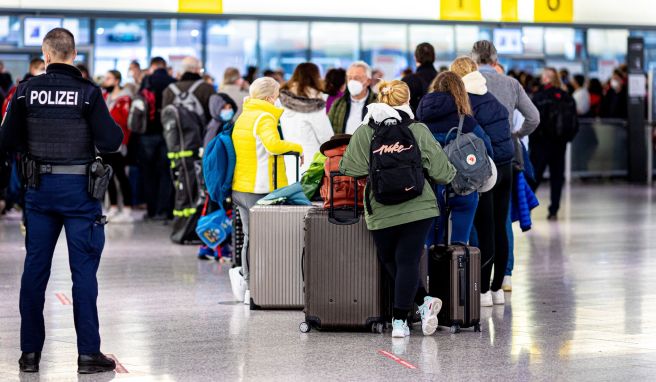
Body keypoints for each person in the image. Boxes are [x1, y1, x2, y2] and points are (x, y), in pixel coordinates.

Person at [0, 28, 123, 374]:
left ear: (47, 54)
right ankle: (88, 354)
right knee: (83, 272)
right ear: (72, 55)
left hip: (39, 191)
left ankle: (29, 355)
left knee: (34, 271)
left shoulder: (24, 92)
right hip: (81, 195)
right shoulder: (88, 94)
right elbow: (111, 140)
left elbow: (5, 139)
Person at [340, 80, 456, 338]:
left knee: (391, 259)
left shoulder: (365, 130)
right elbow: (442, 172)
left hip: (381, 209)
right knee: (406, 261)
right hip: (419, 206)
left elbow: (351, 168)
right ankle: (412, 312)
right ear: (407, 101)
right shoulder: (418, 129)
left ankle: (405, 315)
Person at [228, 77, 304, 305]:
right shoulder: (264, 116)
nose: (278, 98)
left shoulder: (244, 115)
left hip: (241, 186)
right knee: (261, 240)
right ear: (270, 97)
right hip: (259, 187)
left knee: (250, 238)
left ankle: (251, 286)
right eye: (278, 94)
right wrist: (297, 147)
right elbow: (272, 145)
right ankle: (257, 287)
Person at [450, 57, 514, 307]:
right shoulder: (491, 98)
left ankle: (484, 290)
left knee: (485, 228)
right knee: (500, 225)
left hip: (486, 169)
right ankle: (498, 287)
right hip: (506, 166)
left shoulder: (466, 101)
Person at [417, 72, 494, 248]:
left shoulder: (420, 122)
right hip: (464, 187)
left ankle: (430, 274)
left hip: (430, 190)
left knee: (429, 243)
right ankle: (458, 271)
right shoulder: (467, 122)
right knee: (460, 243)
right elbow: (488, 150)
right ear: (460, 92)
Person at [530, 68, 578, 222]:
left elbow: (534, 120)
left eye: (543, 76)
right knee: (557, 177)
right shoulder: (567, 97)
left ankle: (528, 209)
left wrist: (534, 138)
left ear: (547, 79)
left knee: (535, 176)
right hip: (560, 144)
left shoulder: (539, 97)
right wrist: (566, 138)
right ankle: (554, 210)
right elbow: (575, 123)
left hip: (541, 144)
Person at [279, 63, 333, 179]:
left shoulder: (281, 99)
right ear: (316, 76)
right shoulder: (316, 101)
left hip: (288, 157)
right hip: (312, 160)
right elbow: (326, 137)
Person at [138, 56, 176, 221]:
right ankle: (164, 210)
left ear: (153, 66)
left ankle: (151, 210)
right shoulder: (173, 82)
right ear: (165, 66)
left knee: (148, 173)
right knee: (166, 173)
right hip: (168, 132)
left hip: (148, 132)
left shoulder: (147, 81)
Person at [101, 70, 134, 222]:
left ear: (116, 81)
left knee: (122, 176)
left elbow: (124, 122)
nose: (105, 81)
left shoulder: (125, 99)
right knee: (108, 176)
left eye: (108, 78)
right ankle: (113, 206)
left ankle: (127, 208)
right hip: (105, 144)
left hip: (120, 144)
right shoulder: (104, 97)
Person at [162, 56, 215, 124]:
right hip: (201, 132)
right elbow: (212, 115)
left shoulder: (169, 90)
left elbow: (165, 115)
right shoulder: (207, 88)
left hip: (174, 132)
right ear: (196, 69)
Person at [328, 61, 377, 135]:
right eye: (349, 78)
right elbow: (328, 130)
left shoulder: (378, 103)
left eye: (357, 78)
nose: (352, 81)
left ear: (368, 81)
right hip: (342, 146)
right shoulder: (338, 104)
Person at [402, 42, 438, 113]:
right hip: (440, 122)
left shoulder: (408, 80)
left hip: (415, 122)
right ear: (434, 57)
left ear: (415, 57)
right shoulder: (444, 80)